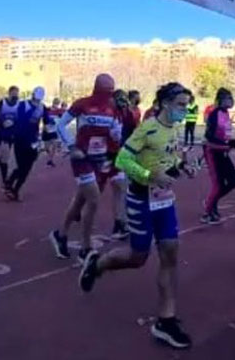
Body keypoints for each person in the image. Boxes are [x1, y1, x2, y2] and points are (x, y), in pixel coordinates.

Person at [79, 82, 195, 350]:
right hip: (141, 200)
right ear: (165, 103)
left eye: (186, 105)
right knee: (137, 257)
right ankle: (97, 264)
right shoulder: (148, 128)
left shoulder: (174, 129)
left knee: (170, 253)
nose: (184, 110)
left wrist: (182, 166)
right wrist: (148, 175)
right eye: (180, 105)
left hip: (165, 202)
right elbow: (122, 161)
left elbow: (168, 159)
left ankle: (165, 320)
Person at [49, 74, 122, 263]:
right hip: (82, 159)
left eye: (111, 91)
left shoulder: (112, 108)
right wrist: (71, 146)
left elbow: (115, 133)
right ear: (97, 88)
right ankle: (86, 247)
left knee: (80, 201)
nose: (108, 95)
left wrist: (118, 131)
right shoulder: (82, 104)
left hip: (100, 159)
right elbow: (61, 125)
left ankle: (60, 235)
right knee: (94, 200)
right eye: (106, 91)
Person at [201, 88, 235, 224]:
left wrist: (230, 143)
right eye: (227, 98)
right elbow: (209, 136)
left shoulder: (226, 114)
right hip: (212, 151)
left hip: (223, 151)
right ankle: (207, 213)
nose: (230, 101)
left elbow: (224, 135)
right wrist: (226, 144)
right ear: (220, 100)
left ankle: (211, 201)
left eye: (231, 98)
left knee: (233, 181)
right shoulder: (214, 114)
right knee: (218, 183)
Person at [4, 87, 47, 201]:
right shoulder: (22, 105)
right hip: (19, 140)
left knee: (27, 168)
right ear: (32, 94)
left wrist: (45, 138)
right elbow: (20, 119)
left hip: (33, 141)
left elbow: (47, 122)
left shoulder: (42, 108)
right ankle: (11, 185)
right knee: (22, 167)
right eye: (35, 97)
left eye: (39, 99)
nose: (37, 100)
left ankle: (13, 187)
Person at [108, 89, 136, 239]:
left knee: (120, 189)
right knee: (119, 189)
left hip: (120, 155)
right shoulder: (108, 114)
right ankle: (120, 222)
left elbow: (132, 133)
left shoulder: (127, 114)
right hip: (107, 155)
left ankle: (119, 223)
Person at [42, 97, 64, 168]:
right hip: (46, 130)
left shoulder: (59, 112)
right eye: (55, 103)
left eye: (57, 103)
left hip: (53, 131)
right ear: (53, 102)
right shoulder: (47, 110)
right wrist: (45, 125)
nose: (56, 104)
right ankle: (49, 156)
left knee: (54, 145)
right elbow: (43, 119)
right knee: (46, 148)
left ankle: (50, 161)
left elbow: (62, 120)